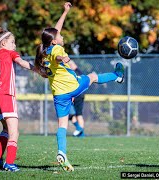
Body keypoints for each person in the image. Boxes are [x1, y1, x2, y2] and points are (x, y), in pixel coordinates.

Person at [34, 2, 124, 172]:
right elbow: (59, 56)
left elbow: (56, 30)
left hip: (58, 95)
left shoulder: (44, 50)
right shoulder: (57, 50)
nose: (62, 36)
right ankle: (118, 76)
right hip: (72, 87)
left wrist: (65, 12)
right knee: (93, 76)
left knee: (62, 125)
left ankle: (62, 152)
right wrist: (64, 59)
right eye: (59, 36)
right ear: (54, 41)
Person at [0, 26, 45, 172]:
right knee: (14, 132)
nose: (14, 45)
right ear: (4, 43)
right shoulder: (10, 53)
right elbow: (22, 63)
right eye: (13, 42)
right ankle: (10, 163)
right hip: (6, 95)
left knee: (6, 129)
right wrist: (38, 70)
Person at [68, 61, 86, 137]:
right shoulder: (75, 72)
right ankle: (79, 130)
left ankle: (81, 132)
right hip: (74, 96)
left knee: (78, 114)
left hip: (77, 96)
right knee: (71, 115)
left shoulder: (76, 73)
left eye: (70, 65)